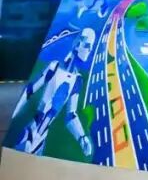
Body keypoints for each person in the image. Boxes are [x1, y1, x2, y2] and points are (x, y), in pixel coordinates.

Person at [12, 28, 96, 156]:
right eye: (88, 46)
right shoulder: (54, 67)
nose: (89, 50)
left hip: (41, 141)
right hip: (30, 133)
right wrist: (13, 112)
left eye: (91, 47)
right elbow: (29, 91)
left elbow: (71, 115)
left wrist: (82, 137)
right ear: (78, 44)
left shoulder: (77, 80)